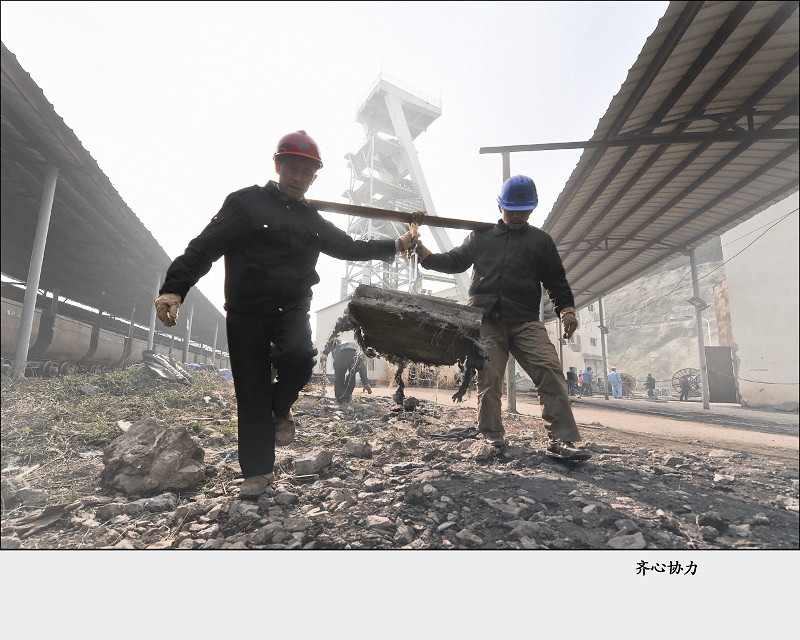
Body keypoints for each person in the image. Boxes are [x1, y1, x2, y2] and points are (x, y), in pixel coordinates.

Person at [154, 130, 419, 498]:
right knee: (251, 390)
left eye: (306, 172)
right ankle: (258, 471)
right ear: (278, 166)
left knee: (299, 358)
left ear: (314, 178)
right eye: (292, 168)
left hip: (290, 309)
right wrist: (174, 288)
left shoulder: (312, 220)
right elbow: (204, 248)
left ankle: (279, 408)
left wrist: (397, 244)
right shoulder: (246, 204)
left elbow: (350, 247)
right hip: (246, 311)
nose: (298, 177)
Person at [413, 175, 591, 460]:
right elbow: (455, 261)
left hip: (525, 321)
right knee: (489, 376)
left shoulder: (540, 242)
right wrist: (425, 255)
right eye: (511, 210)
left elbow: (556, 281)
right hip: (487, 320)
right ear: (500, 207)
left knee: (550, 371)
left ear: (532, 209)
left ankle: (562, 440)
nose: (517, 216)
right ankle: (492, 435)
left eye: (524, 211)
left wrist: (566, 309)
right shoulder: (480, 237)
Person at [324, 338, 371, 403]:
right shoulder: (356, 347)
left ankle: (340, 398)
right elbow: (362, 367)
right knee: (352, 375)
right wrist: (365, 382)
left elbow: (332, 342)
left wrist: (325, 353)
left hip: (343, 356)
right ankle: (347, 397)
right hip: (354, 355)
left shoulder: (339, 343)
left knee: (339, 377)